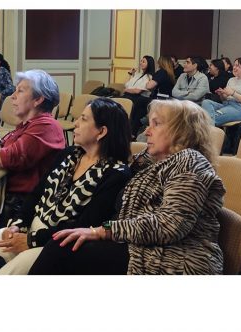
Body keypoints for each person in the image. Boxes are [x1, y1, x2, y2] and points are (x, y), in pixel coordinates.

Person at [29, 99, 225, 275]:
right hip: (139, 247)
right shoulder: (148, 163)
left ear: (182, 131)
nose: (146, 131)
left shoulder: (189, 162)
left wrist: (102, 231)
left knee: (62, 248)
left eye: (156, 124)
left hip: (176, 258)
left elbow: (169, 225)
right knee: (66, 242)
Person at [0, 97, 132, 274]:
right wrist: (17, 224)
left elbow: (85, 224)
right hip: (27, 229)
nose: (75, 124)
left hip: (54, 245)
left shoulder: (116, 174)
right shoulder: (69, 155)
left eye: (83, 119)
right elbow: (36, 193)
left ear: (101, 132)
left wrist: (31, 239)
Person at [0, 69, 65, 227]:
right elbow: (6, 150)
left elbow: (10, 158)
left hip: (17, 207)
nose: (13, 96)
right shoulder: (25, 125)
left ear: (38, 99)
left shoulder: (47, 125)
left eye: (20, 91)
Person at [201, 56, 241, 126]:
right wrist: (222, 94)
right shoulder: (231, 80)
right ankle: (209, 125)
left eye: (237, 66)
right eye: (234, 65)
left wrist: (233, 93)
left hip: (238, 109)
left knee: (208, 118)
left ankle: (207, 127)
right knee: (206, 102)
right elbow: (223, 99)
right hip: (226, 105)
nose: (234, 67)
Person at [123, 55, 155, 136]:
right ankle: (129, 132)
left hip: (141, 98)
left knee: (135, 112)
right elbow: (126, 85)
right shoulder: (137, 74)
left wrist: (127, 90)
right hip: (131, 96)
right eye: (141, 61)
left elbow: (138, 91)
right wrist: (130, 74)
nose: (141, 63)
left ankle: (131, 133)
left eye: (143, 61)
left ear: (149, 64)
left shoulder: (149, 77)